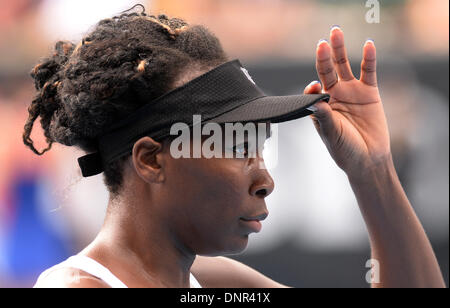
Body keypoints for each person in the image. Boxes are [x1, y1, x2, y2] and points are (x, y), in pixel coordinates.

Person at [25, 5, 445, 288]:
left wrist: (372, 171)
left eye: (260, 149)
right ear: (152, 160)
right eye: (236, 147)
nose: (265, 180)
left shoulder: (214, 283)